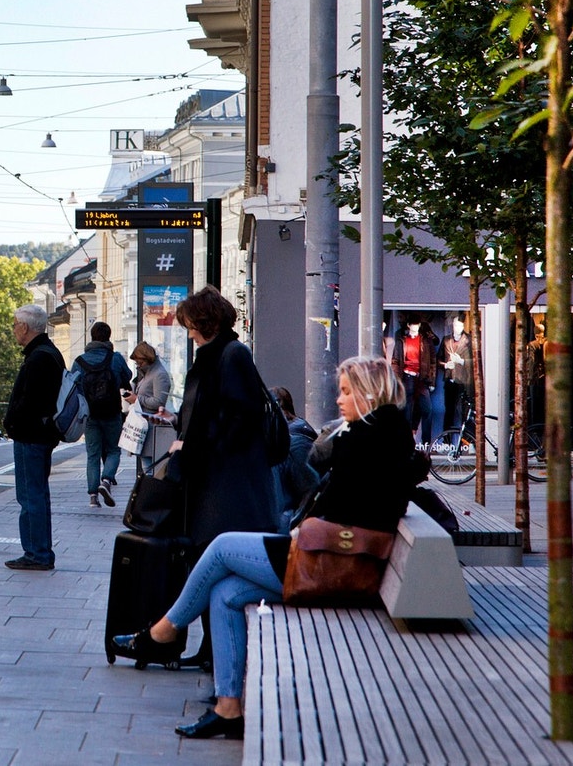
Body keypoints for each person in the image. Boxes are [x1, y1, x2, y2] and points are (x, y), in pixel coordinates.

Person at [113, 356, 419, 740]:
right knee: (224, 593)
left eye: (345, 392)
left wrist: (337, 437)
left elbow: (338, 505)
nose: (338, 400)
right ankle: (228, 709)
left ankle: (166, 630)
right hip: (331, 556)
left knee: (223, 547)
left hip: (334, 565)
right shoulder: (380, 434)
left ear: (368, 393)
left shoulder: (368, 439)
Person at [167, 285, 280, 669]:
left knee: (212, 561)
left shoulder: (232, 355)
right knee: (203, 561)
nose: (188, 332)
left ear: (205, 322)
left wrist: (194, 447)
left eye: (190, 324)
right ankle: (210, 650)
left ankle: (214, 651)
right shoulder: (216, 355)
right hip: (214, 480)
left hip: (228, 486)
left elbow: (238, 418)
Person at [3, 304, 65, 571]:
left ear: (25, 327)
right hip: (40, 435)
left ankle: (37, 552)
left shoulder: (39, 358)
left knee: (31, 496)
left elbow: (31, 402)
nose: (14, 329)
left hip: (31, 436)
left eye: (15, 324)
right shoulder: (48, 353)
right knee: (37, 494)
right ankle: (39, 550)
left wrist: (13, 422)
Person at [74, 321, 133, 507]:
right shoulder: (115, 358)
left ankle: (93, 497)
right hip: (112, 411)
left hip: (90, 415)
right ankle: (106, 480)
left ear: (91, 337)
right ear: (109, 337)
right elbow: (128, 376)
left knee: (92, 454)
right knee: (114, 450)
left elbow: (73, 386)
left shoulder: (80, 361)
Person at [270, 386, 320, 531]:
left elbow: (310, 487)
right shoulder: (292, 433)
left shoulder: (294, 442)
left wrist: (293, 523)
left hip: (288, 527)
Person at [124, 340, 174, 474]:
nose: (138, 366)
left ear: (147, 359)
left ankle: (150, 491)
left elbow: (159, 401)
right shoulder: (147, 373)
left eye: (139, 363)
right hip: (144, 427)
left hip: (152, 427)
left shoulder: (159, 375)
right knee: (146, 466)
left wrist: (137, 399)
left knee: (150, 467)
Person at [390, 313, 442, 442]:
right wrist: (397, 380)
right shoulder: (402, 341)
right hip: (407, 377)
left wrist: (431, 381)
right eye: (413, 325)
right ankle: (407, 442)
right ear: (408, 325)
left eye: (417, 325)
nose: (415, 327)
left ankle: (426, 443)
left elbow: (432, 362)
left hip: (422, 378)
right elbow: (395, 361)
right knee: (406, 411)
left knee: (427, 409)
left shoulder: (425, 341)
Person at [442, 316, 474, 433]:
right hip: (450, 381)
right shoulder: (446, 340)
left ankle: (467, 440)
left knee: (465, 412)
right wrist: (445, 365)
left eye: (460, 325)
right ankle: (447, 442)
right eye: (456, 325)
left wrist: (461, 361)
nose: (458, 328)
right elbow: (438, 359)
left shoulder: (469, 340)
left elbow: (477, 361)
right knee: (449, 411)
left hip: (464, 382)